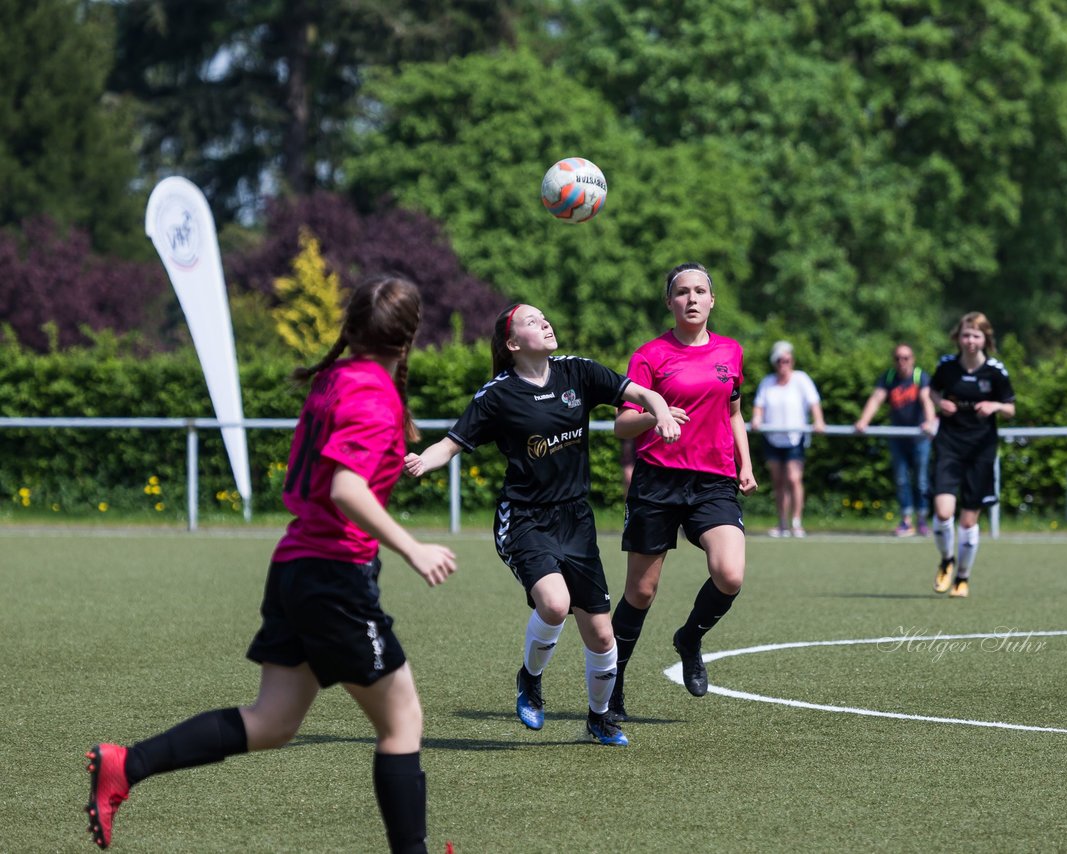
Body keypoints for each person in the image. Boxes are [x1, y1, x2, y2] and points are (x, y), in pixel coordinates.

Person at [83, 275, 458, 853]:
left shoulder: (336, 378)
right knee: (403, 722)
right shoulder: (371, 393)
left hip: (297, 567)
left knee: (274, 721)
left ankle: (125, 765)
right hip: (333, 576)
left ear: (352, 326)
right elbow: (346, 488)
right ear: (409, 337)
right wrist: (413, 547)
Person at [403, 303, 682, 747]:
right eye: (532, 322)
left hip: (577, 520)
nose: (545, 323)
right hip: (526, 518)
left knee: (602, 635)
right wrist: (422, 462)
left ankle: (599, 718)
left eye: (544, 317)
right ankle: (530, 680)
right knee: (554, 604)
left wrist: (661, 413)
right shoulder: (497, 394)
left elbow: (642, 394)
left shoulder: (579, 373)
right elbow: (452, 444)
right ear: (513, 343)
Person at [609, 262, 757, 721]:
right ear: (669, 302)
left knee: (729, 573)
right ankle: (610, 689)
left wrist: (746, 465)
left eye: (699, 291)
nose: (691, 299)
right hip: (657, 481)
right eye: (681, 292)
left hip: (713, 481)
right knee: (641, 592)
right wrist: (658, 415)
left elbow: (734, 413)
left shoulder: (732, 352)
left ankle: (689, 637)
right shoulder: (650, 355)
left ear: (712, 300)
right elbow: (621, 426)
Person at [927, 312, 1016, 599]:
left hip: (980, 448)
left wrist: (994, 406)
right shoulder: (947, 366)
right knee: (943, 513)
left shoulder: (995, 371)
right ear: (958, 337)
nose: (970, 340)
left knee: (968, 522)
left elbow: (1011, 408)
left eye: (976, 335)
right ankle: (946, 561)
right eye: (966, 335)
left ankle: (962, 577)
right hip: (949, 444)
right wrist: (940, 403)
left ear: (985, 339)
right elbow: (931, 392)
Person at [854, 344, 937, 537]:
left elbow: (927, 400)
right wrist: (863, 421)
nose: (902, 362)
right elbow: (876, 399)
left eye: (906, 358)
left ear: (913, 359)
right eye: (898, 358)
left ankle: (923, 519)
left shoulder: (919, 376)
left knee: (922, 481)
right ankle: (906, 521)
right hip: (898, 438)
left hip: (919, 438)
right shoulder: (889, 377)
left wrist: (929, 422)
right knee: (901, 480)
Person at [750, 340, 826, 537]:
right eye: (780, 361)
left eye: (787, 360)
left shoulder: (801, 379)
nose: (784, 364)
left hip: (795, 437)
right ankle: (782, 522)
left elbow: (813, 403)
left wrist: (818, 421)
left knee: (794, 478)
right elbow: (759, 405)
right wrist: (757, 419)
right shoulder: (767, 382)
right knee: (778, 481)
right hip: (773, 438)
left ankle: (796, 522)